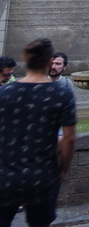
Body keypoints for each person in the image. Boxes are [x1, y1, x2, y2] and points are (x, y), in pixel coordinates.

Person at [0, 39, 76, 227]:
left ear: (25, 60)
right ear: (49, 61)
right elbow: (68, 138)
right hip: (42, 176)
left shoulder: (5, 92)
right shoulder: (61, 93)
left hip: (4, 175)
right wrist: (64, 169)